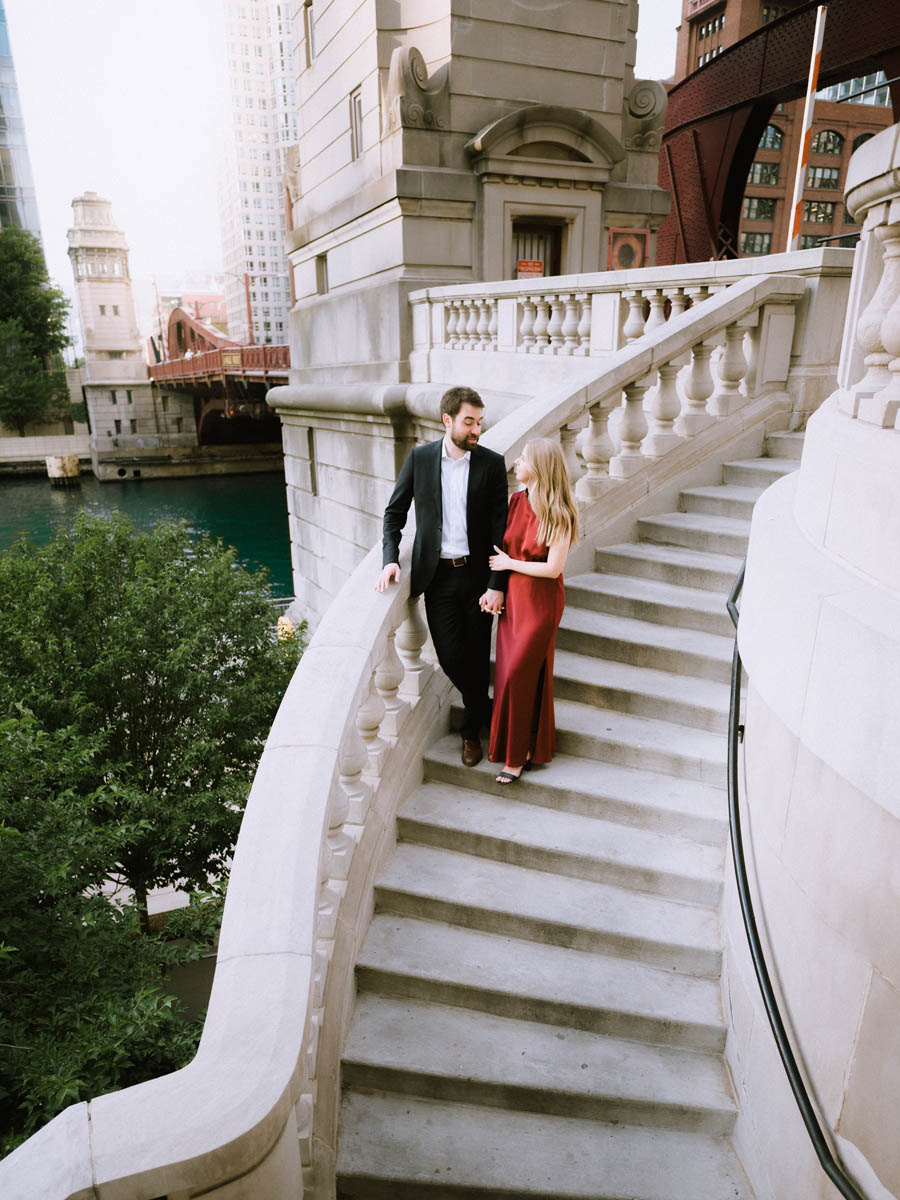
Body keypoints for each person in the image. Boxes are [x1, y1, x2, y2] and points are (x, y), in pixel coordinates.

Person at [376, 386, 509, 766]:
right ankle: (485, 707)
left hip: (478, 578)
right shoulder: (419, 459)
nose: (476, 431)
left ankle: (470, 733)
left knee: (477, 655)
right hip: (438, 578)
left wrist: (496, 584)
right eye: (469, 422)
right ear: (447, 420)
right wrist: (390, 559)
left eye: (479, 423)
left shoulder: (491, 464)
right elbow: (394, 514)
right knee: (450, 655)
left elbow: (502, 529)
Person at [485, 438, 579, 784]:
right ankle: (522, 745)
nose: (516, 464)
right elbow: (499, 548)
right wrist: (494, 589)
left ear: (539, 467)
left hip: (541, 603)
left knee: (518, 674)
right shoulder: (515, 502)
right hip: (514, 600)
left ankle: (518, 755)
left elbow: (553, 569)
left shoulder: (561, 513)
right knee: (509, 672)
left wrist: (512, 563)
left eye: (523, 459)